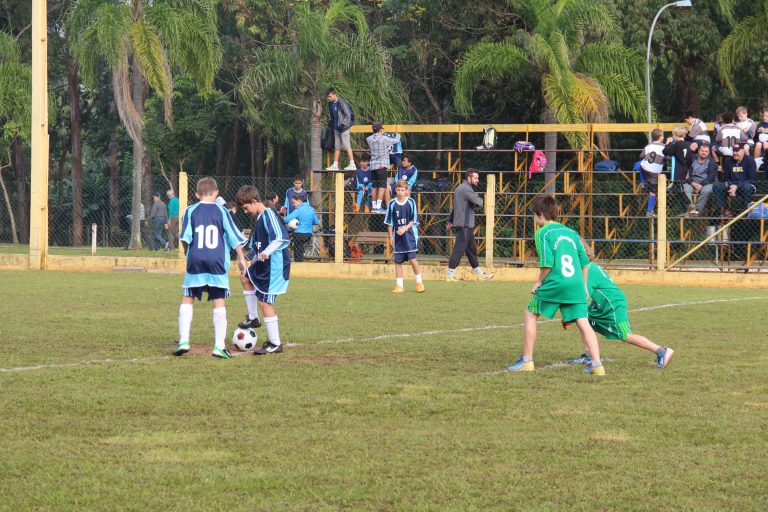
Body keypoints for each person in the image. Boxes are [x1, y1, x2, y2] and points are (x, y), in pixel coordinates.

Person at [506, 195, 604, 375]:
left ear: (541, 214)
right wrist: (583, 285)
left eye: (534, 216)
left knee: (530, 314)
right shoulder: (571, 233)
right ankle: (597, 364)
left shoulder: (543, 233)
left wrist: (538, 282)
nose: (534, 220)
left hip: (556, 282)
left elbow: (547, 264)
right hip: (575, 283)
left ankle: (526, 361)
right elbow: (585, 262)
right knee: (582, 320)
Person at [566, 241, 675, 369]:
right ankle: (589, 355)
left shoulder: (588, 270)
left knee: (624, 334)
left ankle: (661, 351)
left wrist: (570, 312)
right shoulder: (588, 267)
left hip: (613, 304)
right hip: (603, 304)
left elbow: (583, 296)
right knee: (586, 321)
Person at [172, 177, 247, 359]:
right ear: (216, 193)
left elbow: (184, 239)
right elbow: (234, 236)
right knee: (218, 300)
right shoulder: (222, 211)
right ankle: (219, 346)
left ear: (197, 194)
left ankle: (183, 340)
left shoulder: (190, 210)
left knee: (188, 296)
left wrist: (188, 253)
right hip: (217, 261)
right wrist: (241, 258)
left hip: (195, 260)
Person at [236, 185, 291, 355]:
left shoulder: (268, 215)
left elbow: (281, 238)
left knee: (264, 302)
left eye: (246, 208)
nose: (246, 211)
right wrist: (247, 259)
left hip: (275, 266)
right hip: (263, 265)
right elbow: (255, 247)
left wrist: (266, 253)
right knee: (245, 277)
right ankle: (253, 318)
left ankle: (275, 343)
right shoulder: (259, 218)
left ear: (254, 201)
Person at [446, 168, 493, 281]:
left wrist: (450, 221)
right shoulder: (466, 190)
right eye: (475, 178)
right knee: (459, 250)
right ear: (469, 178)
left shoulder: (459, 189)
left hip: (464, 226)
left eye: (477, 178)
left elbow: (454, 208)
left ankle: (478, 274)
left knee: (471, 250)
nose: (477, 180)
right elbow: (479, 202)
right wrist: (478, 197)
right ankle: (450, 275)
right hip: (464, 226)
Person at [384, 180, 425, 294]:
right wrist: (391, 237)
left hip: (410, 234)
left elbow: (414, 220)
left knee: (412, 259)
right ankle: (399, 285)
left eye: (403, 190)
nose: (400, 192)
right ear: (395, 190)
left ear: (407, 191)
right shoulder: (392, 203)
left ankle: (419, 283)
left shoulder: (411, 202)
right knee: (398, 261)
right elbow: (390, 222)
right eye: (398, 190)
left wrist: (404, 229)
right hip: (397, 236)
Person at [714, 142, 758, 218]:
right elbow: (726, 178)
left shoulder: (750, 161)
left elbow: (752, 179)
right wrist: (732, 186)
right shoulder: (728, 161)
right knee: (717, 186)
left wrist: (737, 186)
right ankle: (725, 210)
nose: (734, 153)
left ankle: (745, 212)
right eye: (733, 150)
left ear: (743, 151)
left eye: (737, 151)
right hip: (732, 186)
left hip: (746, 185)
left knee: (746, 187)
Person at [367, 122, 401, 213]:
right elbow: (396, 140)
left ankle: (374, 207)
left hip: (373, 165)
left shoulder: (369, 139)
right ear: (381, 129)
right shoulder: (384, 139)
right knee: (382, 186)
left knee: (374, 186)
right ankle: (378, 207)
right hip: (382, 165)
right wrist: (397, 134)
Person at [681, 142, 718, 217]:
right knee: (685, 188)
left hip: (706, 184)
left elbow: (711, 177)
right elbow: (687, 174)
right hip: (692, 183)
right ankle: (691, 209)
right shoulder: (692, 159)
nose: (704, 153)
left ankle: (696, 211)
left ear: (709, 153)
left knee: (707, 190)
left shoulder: (712, 162)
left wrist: (701, 185)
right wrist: (693, 183)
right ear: (698, 151)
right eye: (702, 151)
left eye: (706, 151)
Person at [325, 88, 357, 171]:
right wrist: (331, 123)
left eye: (330, 96)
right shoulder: (330, 104)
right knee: (337, 146)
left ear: (334, 94)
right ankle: (335, 165)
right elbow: (333, 115)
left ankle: (352, 163)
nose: (329, 98)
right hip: (336, 128)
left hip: (344, 128)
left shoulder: (341, 103)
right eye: (327, 97)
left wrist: (343, 125)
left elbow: (348, 115)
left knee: (347, 145)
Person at [283, 192, 320, 262]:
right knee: (301, 248)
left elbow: (287, 219)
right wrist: (308, 221)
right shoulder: (311, 209)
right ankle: (302, 260)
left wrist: (281, 218)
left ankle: (298, 263)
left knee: (298, 251)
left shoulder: (298, 210)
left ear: (299, 201)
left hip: (299, 234)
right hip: (308, 234)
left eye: (294, 202)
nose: (293, 205)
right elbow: (316, 222)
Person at [639, 129, 667, 218]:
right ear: (660, 137)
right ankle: (649, 212)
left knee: (640, 165)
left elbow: (641, 156)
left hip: (645, 168)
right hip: (654, 172)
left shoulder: (649, 145)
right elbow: (668, 157)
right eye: (662, 136)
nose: (663, 137)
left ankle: (642, 182)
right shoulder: (664, 147)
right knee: (652, 193)